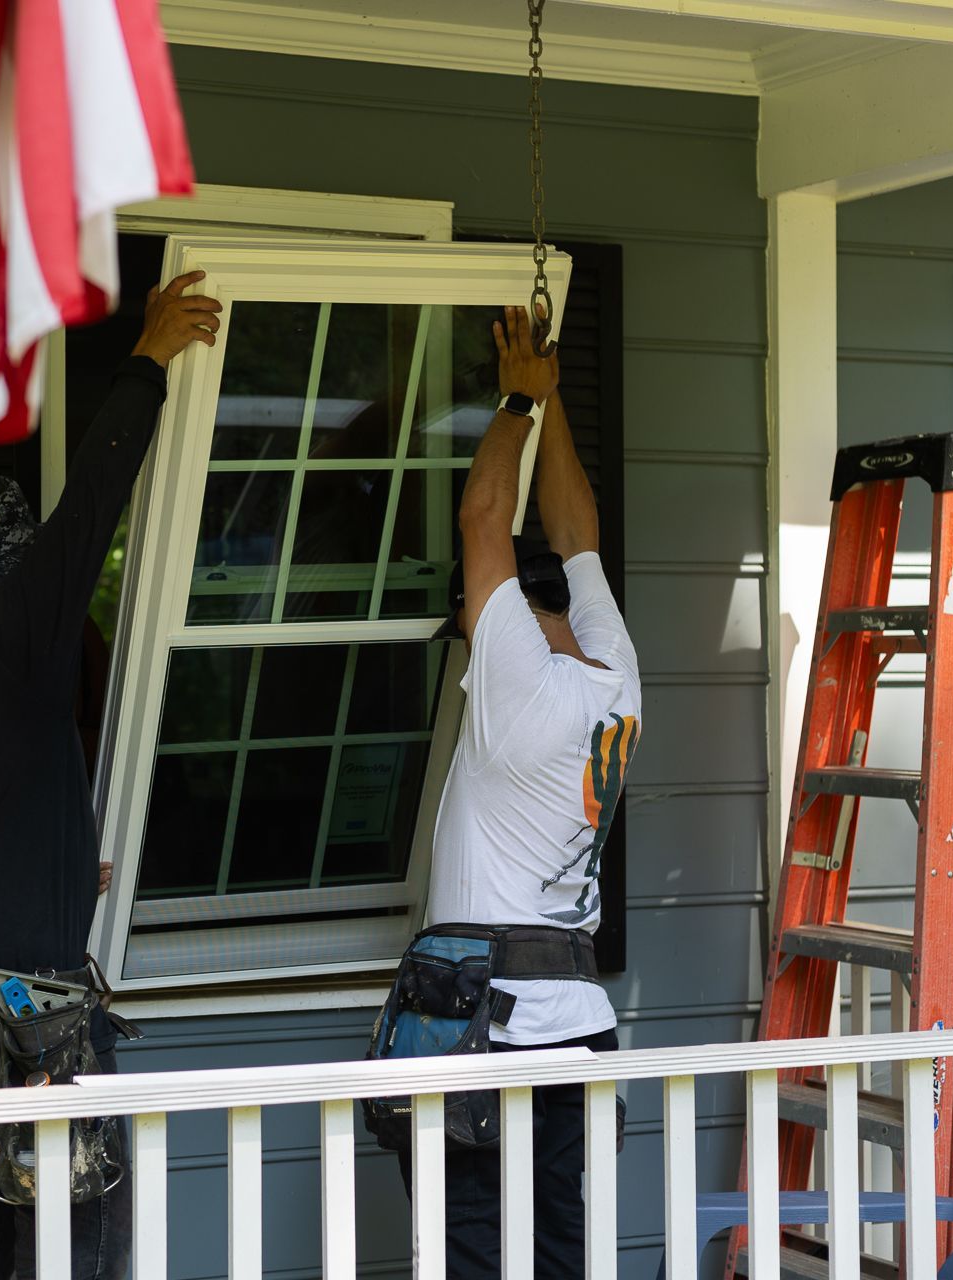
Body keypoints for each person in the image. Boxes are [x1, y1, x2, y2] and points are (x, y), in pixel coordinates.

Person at [0, 271, 221, 1280]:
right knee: (76, 1258)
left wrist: (61, 870)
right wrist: (149, 359)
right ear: (1, 576)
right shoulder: (5, 640)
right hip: (26, 1024)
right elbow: (88, 515)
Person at [407, 305, 642, 1278]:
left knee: (468, 1253)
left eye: (466, 618)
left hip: (487, 1026)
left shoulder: (514, 681)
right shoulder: (612, 669)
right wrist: (551, 403)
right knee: (559, 1253)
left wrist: (512, 401)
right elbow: (574, 528)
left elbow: (479, 519)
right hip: (576, 1028)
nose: (463, 637)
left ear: (492, 612)